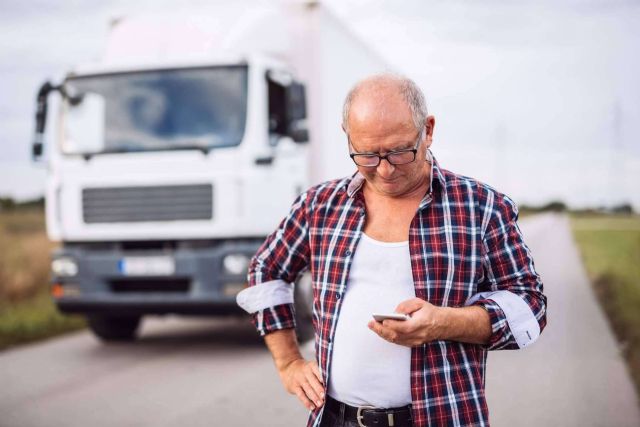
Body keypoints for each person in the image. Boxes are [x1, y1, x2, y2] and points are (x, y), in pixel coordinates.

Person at [236, 74, 547, 427]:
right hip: (335, 419)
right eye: (367, 155)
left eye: (399, 152)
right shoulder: (318, 205)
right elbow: (266, 270)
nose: (384, 170)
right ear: (347, 136)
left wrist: (444, 323)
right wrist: (288, 363)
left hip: (442, 418)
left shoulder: (483, 207)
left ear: (427, 130)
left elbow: (529, 308)